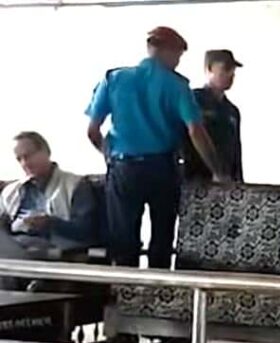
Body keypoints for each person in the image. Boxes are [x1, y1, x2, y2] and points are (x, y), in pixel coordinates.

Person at [85, 26, 225, 269]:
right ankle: (158, 288)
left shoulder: (114, 79)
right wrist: (217, 170)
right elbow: (195, 131)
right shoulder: (177, 85)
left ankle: (124, 289)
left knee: (123, 240)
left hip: (124, 168)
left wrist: (110, 155)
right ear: (168, 51)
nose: (177, 63)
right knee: (162, 238)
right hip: (162, 168)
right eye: (178, 56)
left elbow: (92, 131)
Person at [0, 131, 98, 290]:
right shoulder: (12, 191)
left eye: (28, 156)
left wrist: (51, 223)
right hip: (15, 246)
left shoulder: (75, 185)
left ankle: (26, 280)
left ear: (46, 152)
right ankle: (29, 280)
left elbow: (87, 231)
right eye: (19, 159)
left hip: (50, 247)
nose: (25, 163)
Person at [181, 49, 244, 182]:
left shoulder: (232, 110)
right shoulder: (193, 100)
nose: (231, 74)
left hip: (225, 179)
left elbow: (236, 151)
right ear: (209, 69)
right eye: (226, 69)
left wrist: (238, 181)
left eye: (233, 70)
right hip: (194, 176)